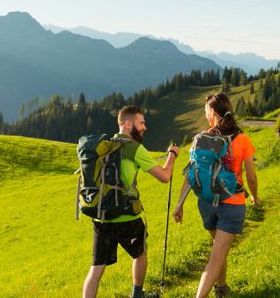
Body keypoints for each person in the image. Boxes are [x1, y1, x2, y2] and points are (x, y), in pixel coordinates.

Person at [84, 105, 181, 298]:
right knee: (140, 253)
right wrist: (172, 155)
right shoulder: (134, 148)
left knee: (96, 268)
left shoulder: (105, 146)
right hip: (126, 216)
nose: (144, 127)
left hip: (101, 216)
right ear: (128, 124)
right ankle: (137, 294)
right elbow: (164, 176)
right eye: (141, 122)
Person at [173, 93, 260, 298]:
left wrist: (179, 203)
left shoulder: (202, 139)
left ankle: (221, 288)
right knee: (217, 254)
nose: (205, 117)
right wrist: (255, 197)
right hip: (232, 203)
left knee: (218, 249)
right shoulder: (243, 139)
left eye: (206, 113)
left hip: (206, 203)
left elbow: (191, 173)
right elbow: (251, 176)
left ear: (212, 112)